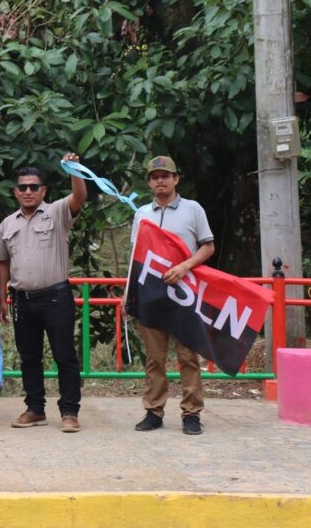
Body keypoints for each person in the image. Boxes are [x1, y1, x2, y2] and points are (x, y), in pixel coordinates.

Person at [0, 154, 88, 433]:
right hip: (22, 300)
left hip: (56, 297)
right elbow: (2, 263)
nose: (28, 192)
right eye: (22, 187)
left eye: (34, 187)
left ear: (43, 190)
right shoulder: (7, 224)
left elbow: (79, 196)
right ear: (16, 192)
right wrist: (2, 298)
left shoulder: (57, 212)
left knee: (64, 356)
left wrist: (73, 170)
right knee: (29, 357)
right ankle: (35, 409)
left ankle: (70, 412)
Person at [131, 155, 215, 436]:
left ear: (176, 179)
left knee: (188, 356)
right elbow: (135, 257)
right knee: (154, 358)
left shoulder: (193, 209)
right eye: (155, 177)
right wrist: (127, 294)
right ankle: (153, 411)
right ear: (149, 182)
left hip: (185, 295)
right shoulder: (142, 213)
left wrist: (184, 266)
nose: (160, 181)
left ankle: (191, 414)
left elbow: (207, 247)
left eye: (165, 176)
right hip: (150, 296)